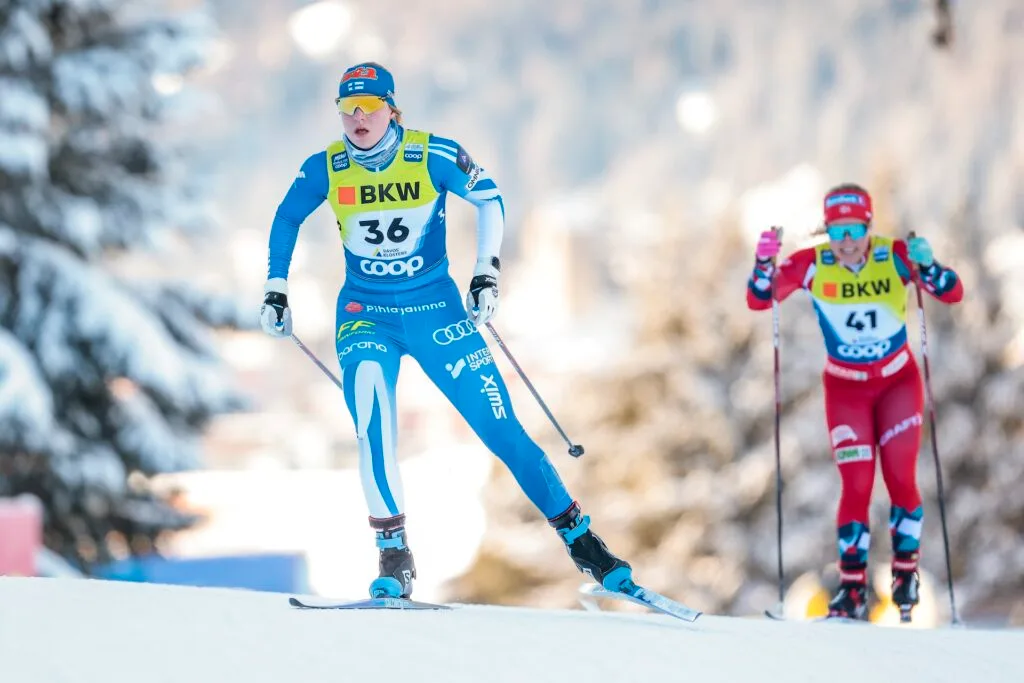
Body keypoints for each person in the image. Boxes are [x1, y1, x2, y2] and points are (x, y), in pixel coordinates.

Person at [258, 62, 632, 599]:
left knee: (502, 431)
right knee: (372, 421)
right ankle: (395, 555)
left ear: (392, 109)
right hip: (366, 315)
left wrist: (487, 271)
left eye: (369, 107)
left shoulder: (432, 153)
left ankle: (583, 542)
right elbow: (286, 218)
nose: (359, 119)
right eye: (348, 109)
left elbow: (491, 199)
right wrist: (276, 286)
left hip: (438, 314)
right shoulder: (327, 167)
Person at [746, 183, 964, 620]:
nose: (845, 242)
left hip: (897, 385)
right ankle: (851, 589)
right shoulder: (813, 263)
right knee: (857, 484)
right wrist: (763, 262)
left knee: (901, 477)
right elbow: (760, 297)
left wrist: (928, 263)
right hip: (846, 391)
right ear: (827, 231)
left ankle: (905, 576)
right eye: (836, 232)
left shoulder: (895, 255)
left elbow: (951, 291)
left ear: (868, 227)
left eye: (854, 231)